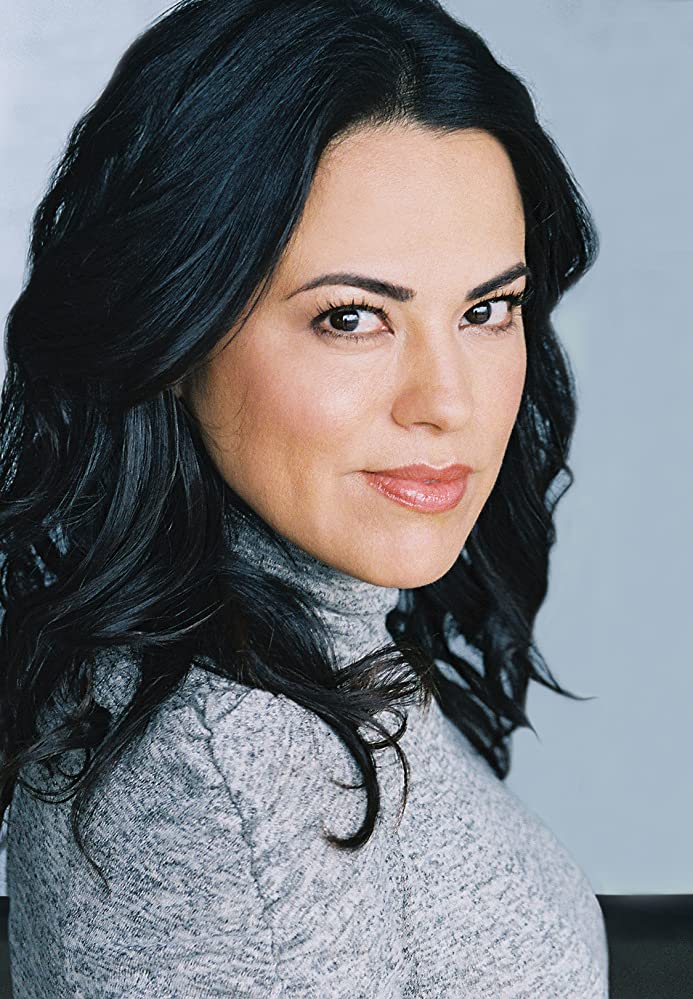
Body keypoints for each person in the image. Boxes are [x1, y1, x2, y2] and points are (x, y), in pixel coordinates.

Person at [0, 0, 608, 995]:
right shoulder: (230, 791)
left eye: (487, 309)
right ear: (176, 329)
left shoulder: (299, 647)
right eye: (352, 317)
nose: (449, 402)